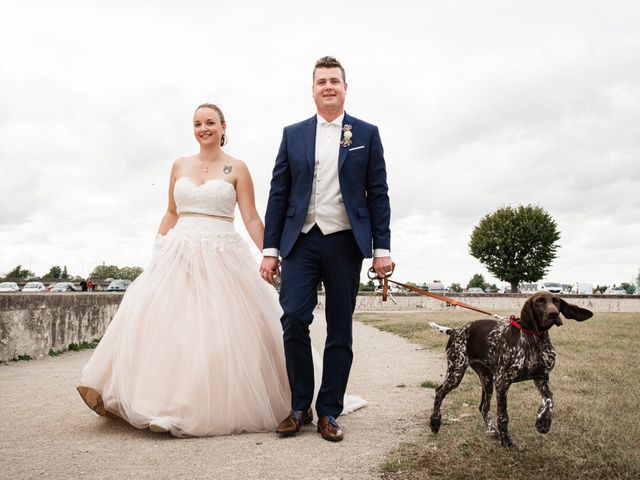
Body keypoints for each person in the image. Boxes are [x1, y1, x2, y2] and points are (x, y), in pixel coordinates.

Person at [77, 103, 294, 436]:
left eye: (210, 122)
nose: (203, 128)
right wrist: (159, 248)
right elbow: (171, 212)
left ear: (223, 127)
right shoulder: (179, 165)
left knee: (220, 330)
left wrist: (270, 254)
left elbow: (250, 217)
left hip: (223, 254)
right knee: (171, 329)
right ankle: (163, 404)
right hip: (179, 251)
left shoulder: (238, 168)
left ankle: (206, 406)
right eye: (197, 123)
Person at [260, 56, 393, 442]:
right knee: (293, 318)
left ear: (345, 88)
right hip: (300, 241)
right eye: (321, 81)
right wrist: (271, 248)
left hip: (345, 242)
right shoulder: (293, 134)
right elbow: (279, 193)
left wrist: (381, 248)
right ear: (313, 89)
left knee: (340, 328)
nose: (328, 86)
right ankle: (300, 405)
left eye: (335, 80)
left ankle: (329, 411)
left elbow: (378, 194)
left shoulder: (366, 133)